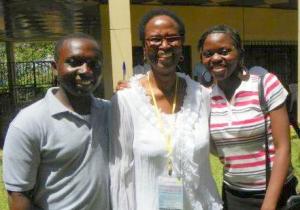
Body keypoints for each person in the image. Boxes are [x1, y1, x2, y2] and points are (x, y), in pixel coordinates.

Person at [109, 9, 222, 210]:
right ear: (144, 47)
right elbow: (120, 172)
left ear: (181, 44)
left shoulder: (202, 96)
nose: (164, 45)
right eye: (155, 39)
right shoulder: (127, 101)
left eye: (172, 38)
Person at [3, 33, 110, 210]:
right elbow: (18, 196)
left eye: (94, 63)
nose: (86, 70)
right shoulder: (29, 122)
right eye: (74, 62)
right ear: (55, 67)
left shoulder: (110, 112)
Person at [197, 24, 298, 210]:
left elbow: (283, 148)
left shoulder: (265, 84)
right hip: (233, 195)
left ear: (240, 53)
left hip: (275, 194)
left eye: (224, 51)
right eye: (208, 53)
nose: (216, 58)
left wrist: (268, 205)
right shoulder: (206, 97)